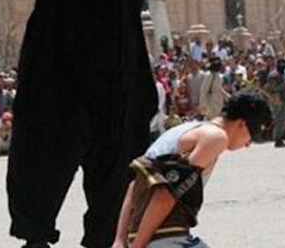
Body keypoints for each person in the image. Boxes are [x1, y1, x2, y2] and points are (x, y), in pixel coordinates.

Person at [8, 0, 157, 248]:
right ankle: (35, 237)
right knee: (40, 167)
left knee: (115, 181)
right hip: (58, 93)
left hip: (115, 97)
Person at [110, 91, 271, 248]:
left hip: (144, 233)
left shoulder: (185, 129)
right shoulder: (215, 138)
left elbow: (135, 185)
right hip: (164, 237)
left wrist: (120, 239)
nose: (248, 144)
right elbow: (165, 195)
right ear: (242, 124)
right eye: (254, 134)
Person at [264, 59, 285, 148]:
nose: (283, 65)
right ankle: (277, 138)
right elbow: (271, 88)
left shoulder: (280, 73)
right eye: (281, 63)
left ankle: (279, 138)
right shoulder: (274, 75)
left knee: (282, 119)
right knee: (279, 119)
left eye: (284, 63)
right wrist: (283, 86)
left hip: (281, 98)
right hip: (276, 99)